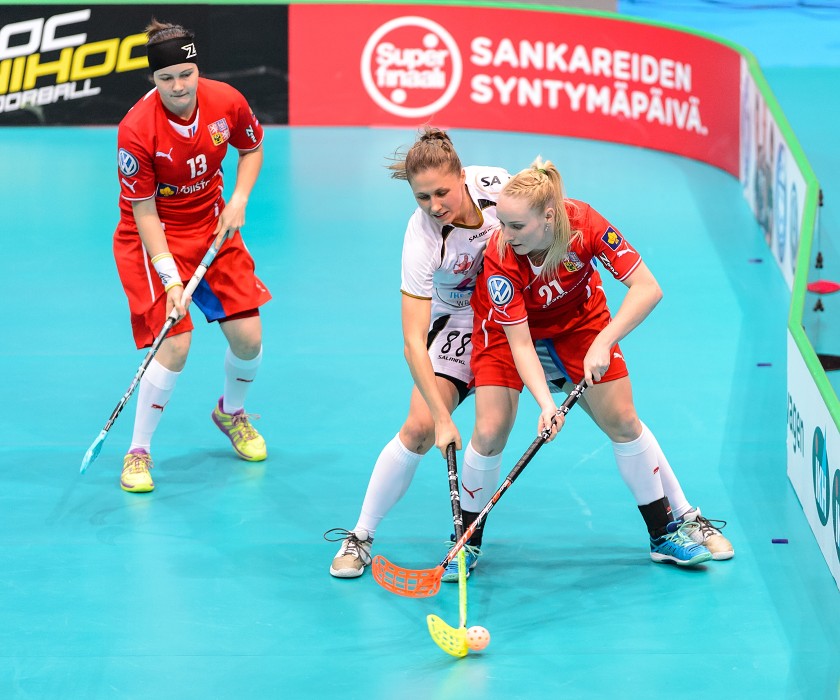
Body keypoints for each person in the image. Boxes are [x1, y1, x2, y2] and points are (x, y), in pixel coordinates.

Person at [470, 156, 733, 565]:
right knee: (488, 432)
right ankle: (466, 540)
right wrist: (546, 404)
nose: (505, 234)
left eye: (516, 225)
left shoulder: (585, 223)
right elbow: (521, 345)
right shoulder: (501, 255)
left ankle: (666, 534)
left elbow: (648, 288)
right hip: (509, 333)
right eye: (502, 222)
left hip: (580, 325)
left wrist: (604, 340)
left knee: (624, 422)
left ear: (549, 217)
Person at [326, 127, 516, 580]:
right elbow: (413, 341)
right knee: (417, 428)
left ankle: (674, 517)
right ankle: (361, 536)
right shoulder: (422, 237)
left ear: (463, 176)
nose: (434, 205)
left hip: (512, 314)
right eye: (422, 197)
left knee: (496, 430)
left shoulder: (497, 186)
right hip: (457, 323)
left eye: (442, 192)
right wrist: (441, 416)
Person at [112, 18, 271, 493]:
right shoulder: (136, 131)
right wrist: (171, 280)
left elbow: (252, 148)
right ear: (152, 80)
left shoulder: (226, 101)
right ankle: (137, 452)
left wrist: (239, 199)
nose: (179, 87)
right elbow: (143, 214)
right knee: (176, 343)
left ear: (196, 67)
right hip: (155, 238)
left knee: (248, 338)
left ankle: (231, 413)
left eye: (186, 74)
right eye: (166, 79)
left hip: (214, 226)